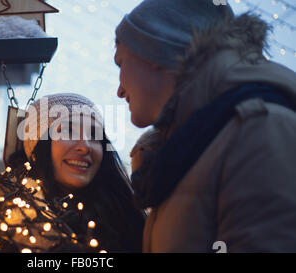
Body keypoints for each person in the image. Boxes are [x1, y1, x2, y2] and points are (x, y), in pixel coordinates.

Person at [115, 0, 296, 252]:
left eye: (120, 62)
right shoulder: (188, 148)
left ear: (154, 49)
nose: (119, 90)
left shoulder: (259, 128)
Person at [7, 93, 145, 252]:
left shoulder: (125, 216)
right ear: (38, 146)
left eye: (94, 135)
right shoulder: (9, 222)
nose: (85, 146)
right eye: (67, 131)